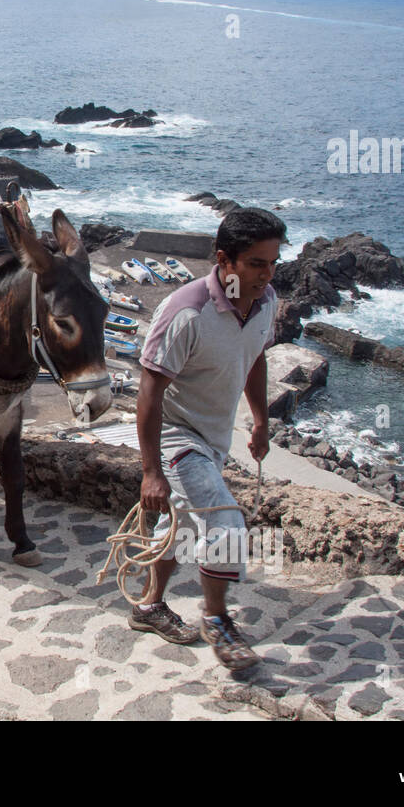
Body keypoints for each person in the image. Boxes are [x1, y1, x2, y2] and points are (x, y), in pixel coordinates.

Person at [128, 207, 287, 672]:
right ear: (224, 259)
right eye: (257, 263)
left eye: (273, 262)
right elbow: (149, 392)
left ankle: (148, 605)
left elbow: (254, 357)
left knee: (177, 528)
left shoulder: (266, 300)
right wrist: (152, 471)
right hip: (178, 438)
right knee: (224, 522)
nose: (267, 273)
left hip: (215, 438)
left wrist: (260, 420)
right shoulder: (185, 311)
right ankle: (216, 618)